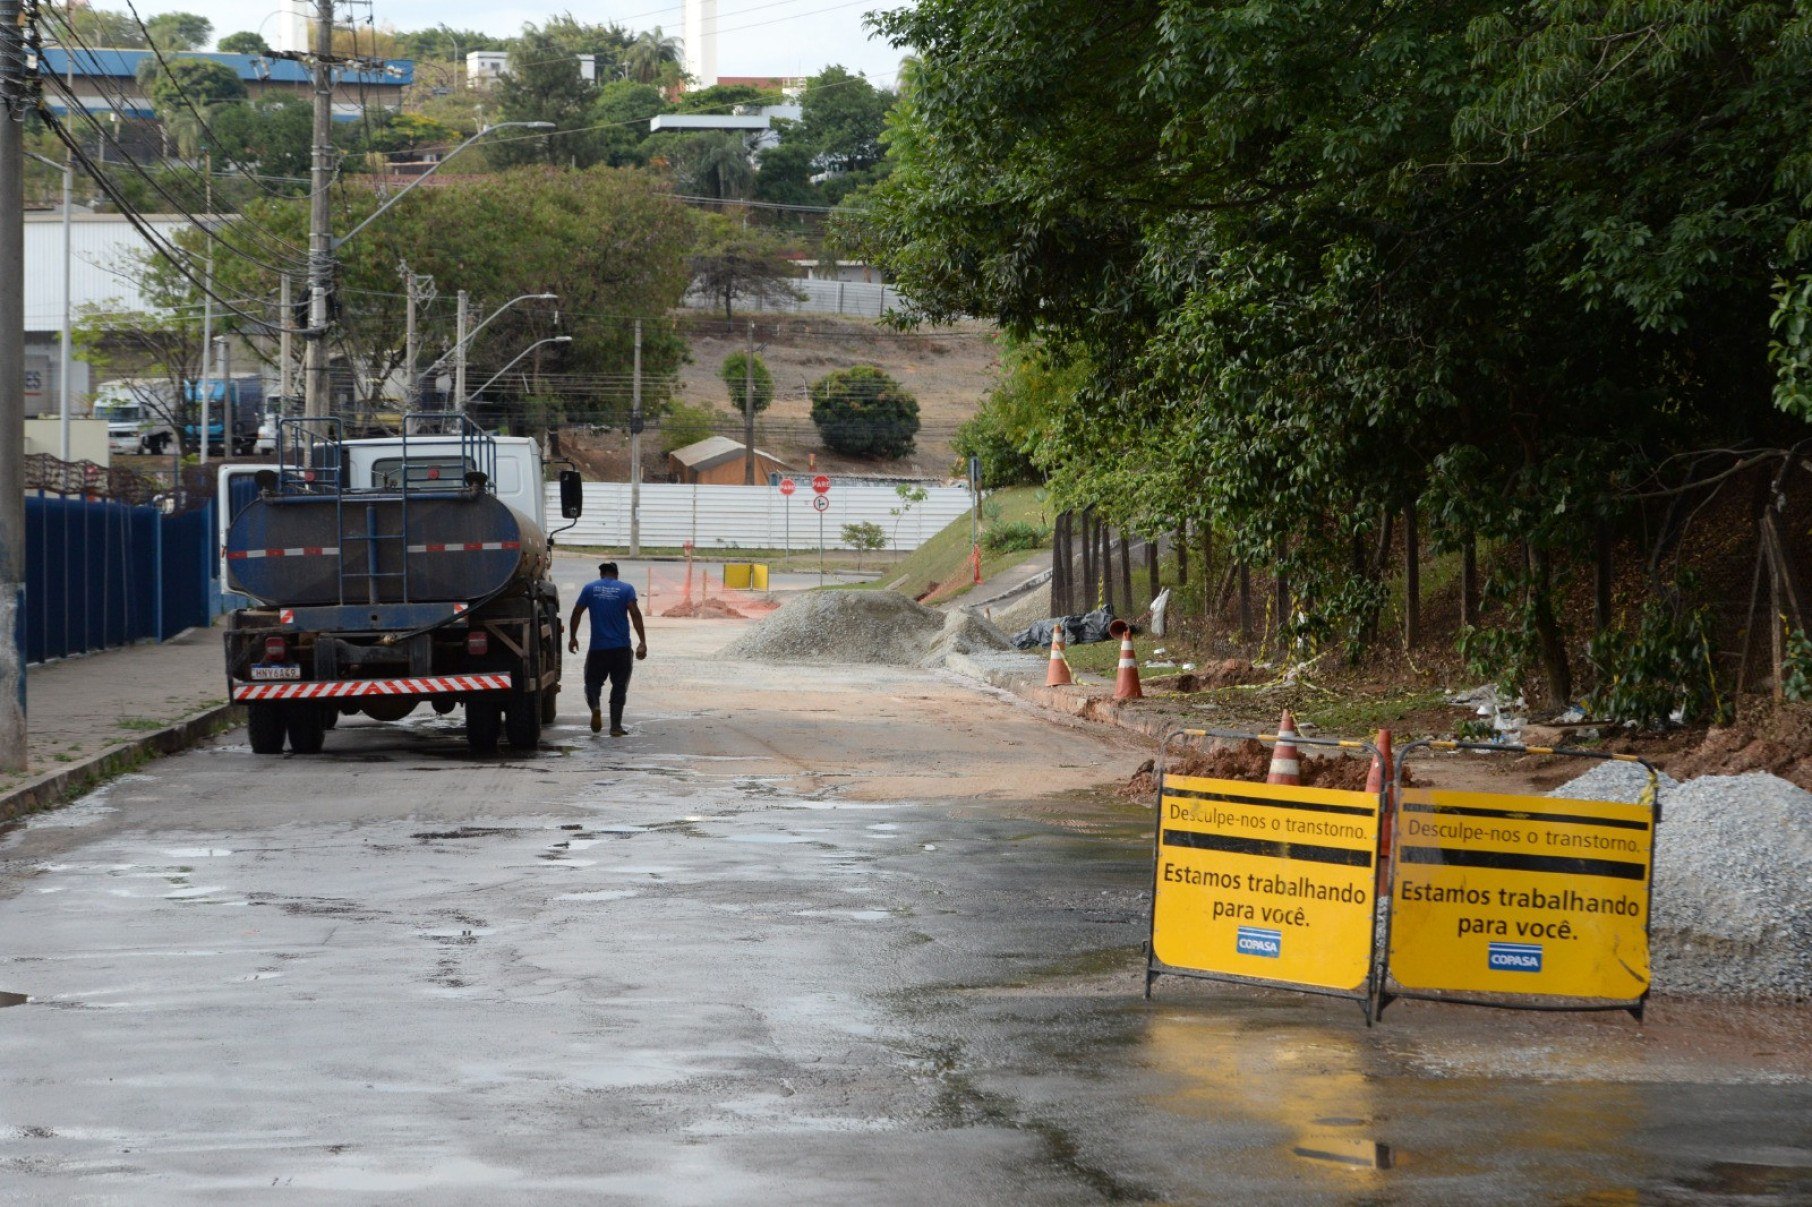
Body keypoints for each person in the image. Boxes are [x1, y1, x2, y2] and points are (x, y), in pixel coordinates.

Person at [567, 562, 647, 736]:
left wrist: (573, 637)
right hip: (621, 648)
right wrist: (642, 641)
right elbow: (635, 613)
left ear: (602, 574)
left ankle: (595, 707)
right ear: (616, 574)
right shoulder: (626, 589)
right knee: (619, 686)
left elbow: (576, 613)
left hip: (598, 648)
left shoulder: (590, 588)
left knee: (592, 683)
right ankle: (615, 727)